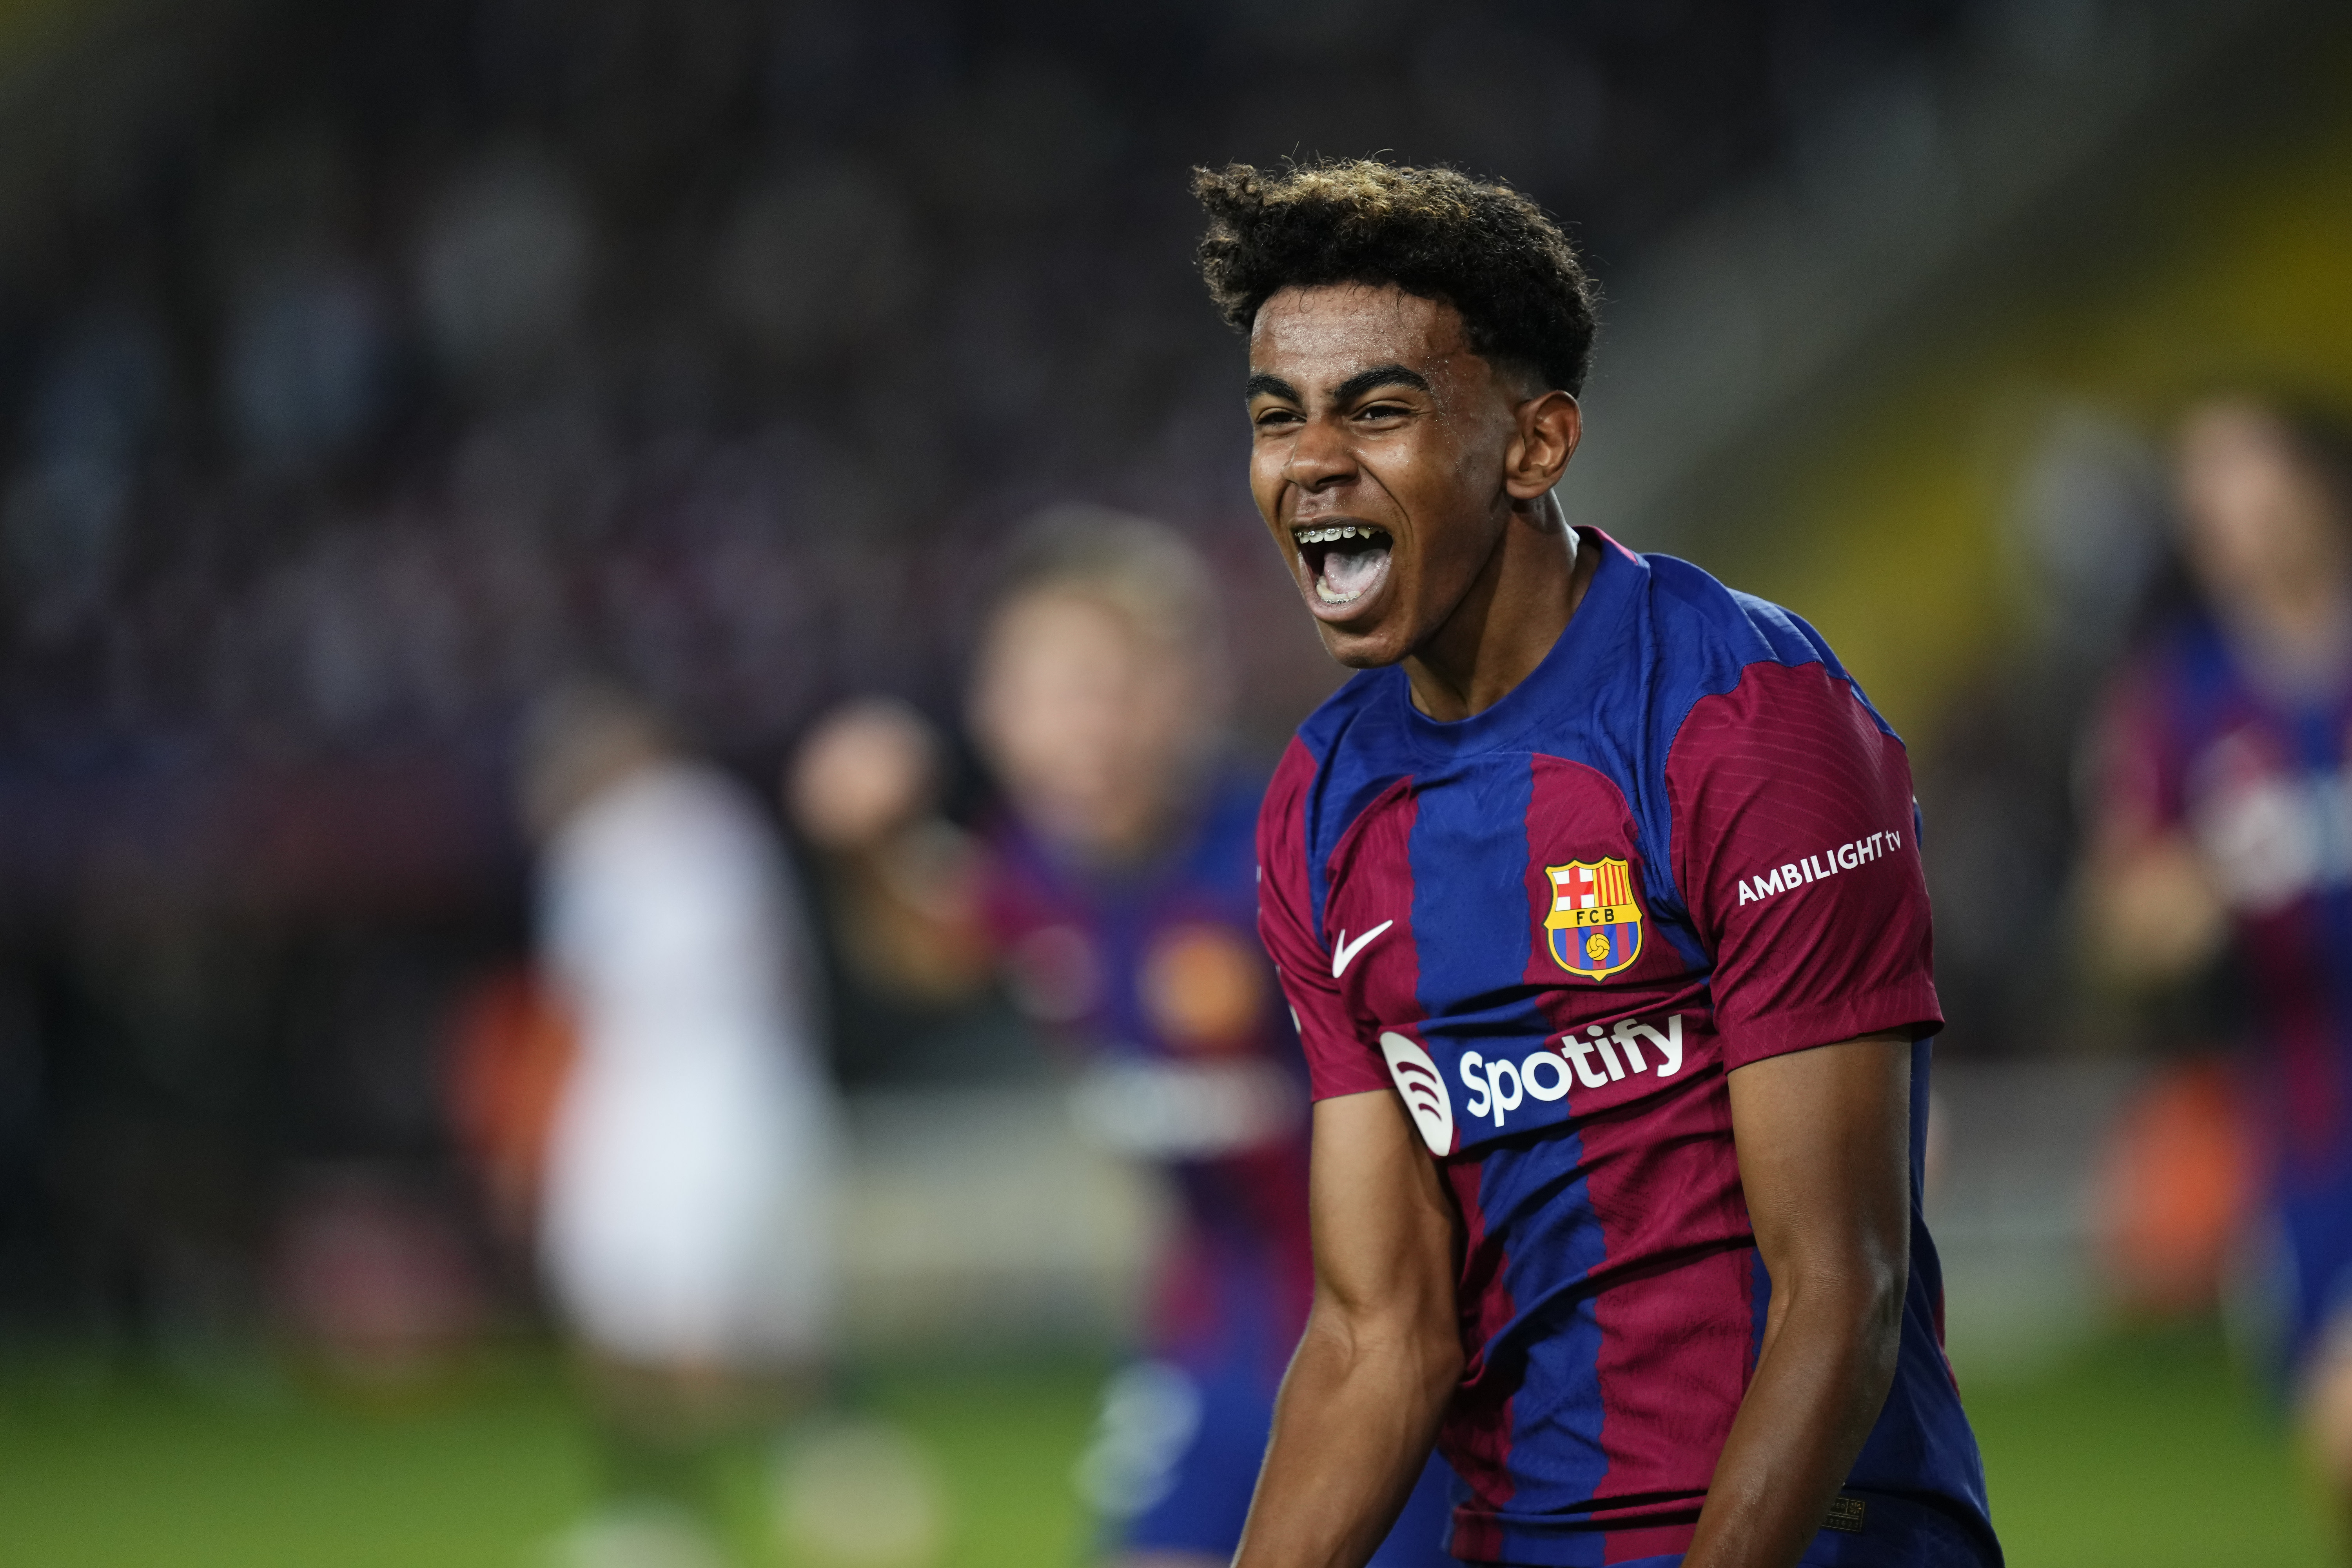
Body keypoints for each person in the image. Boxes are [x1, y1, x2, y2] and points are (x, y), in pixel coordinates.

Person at [1193, 159, 1999, 1568]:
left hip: (1823, 1534)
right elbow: (1383, 1333)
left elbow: (1839, 1289)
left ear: (1535, 443)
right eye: (1280, 419)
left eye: (1378, 409)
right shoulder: (1321, 806)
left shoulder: (1744, 716)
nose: (1313, 460)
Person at [788, 510, 1457, 1568]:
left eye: (1105, 686)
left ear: (1186, 693)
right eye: (1041, 694)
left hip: (1392, 1341)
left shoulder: (1293, 860)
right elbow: (936, 941)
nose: (1077, 726)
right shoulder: (1040, 871)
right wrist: (866, 847)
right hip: (1212, 1335)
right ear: (993, 714)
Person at [2083, 397, 2352, 1534]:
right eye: (2197, 494)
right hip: (2310, 1133)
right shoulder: (2179, 701)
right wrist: (2198, 891)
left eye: (2240, 477)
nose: (2220, 514)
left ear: (2315, 484)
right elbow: (2118, 918)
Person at [520, 683, 840, 1566]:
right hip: (716, 1089)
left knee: (682, 1322)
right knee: (659, 1312)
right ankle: (764, 1482)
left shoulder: (623, 836)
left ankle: (721, 1492)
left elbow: (579, 995)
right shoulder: (718, 824)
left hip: (678, 1095)